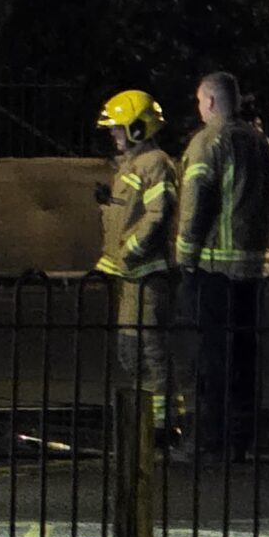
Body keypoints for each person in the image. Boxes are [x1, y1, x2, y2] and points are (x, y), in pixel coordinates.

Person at [175, 71, 269, 458]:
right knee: (244, 356)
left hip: (213, 270)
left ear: (210, 102)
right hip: (252, 269)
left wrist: (185, 257)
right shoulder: (262, 143)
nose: (199, 109)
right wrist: (263, 245)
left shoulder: (207, 143)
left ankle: (206, 440)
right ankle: (243, 440)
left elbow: (197, 202)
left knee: (210, 357)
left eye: (199, 102)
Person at [95, 89, 179, 443]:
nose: (114, 135)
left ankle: (163, 425)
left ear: (139, 128)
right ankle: (146, 420)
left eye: (119, 128)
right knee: (132, 352)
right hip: (129, 276)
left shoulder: (155, 164)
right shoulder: (131, 165)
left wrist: (130, 251)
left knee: (149, 351)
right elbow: (128, 215)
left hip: (147, 275)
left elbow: (159, 215)